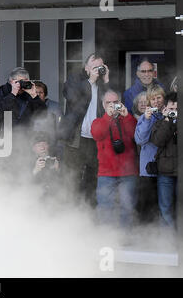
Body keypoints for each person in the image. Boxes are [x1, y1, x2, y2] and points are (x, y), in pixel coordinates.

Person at [59, 53, 110, 207]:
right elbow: (72, 97)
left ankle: (88, 215)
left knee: (92, 180)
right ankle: (69, 213)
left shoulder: (102, 85)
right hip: (76, 138)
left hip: (96, 140)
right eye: (94, 67)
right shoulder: (75, 79)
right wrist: (90, 81)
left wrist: (106, 80)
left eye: (100, 67)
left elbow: (112, 102)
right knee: (71, 179)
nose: (97, 70)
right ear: (86, 67)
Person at [91, 90, 138, 228]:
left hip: (128, 173)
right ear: (103, 105)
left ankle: (125, 238)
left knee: (127, 207)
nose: (112, 105)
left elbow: (135, 134)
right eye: (108, 103)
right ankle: (107, 237)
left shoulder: (128, 118)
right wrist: (108, 117)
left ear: (120, 103)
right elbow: (98, 134)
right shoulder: (98, 121)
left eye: (115, 102)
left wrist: (127, 116)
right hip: (106, 173)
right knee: (105, 208)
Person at [134, 85, 166, 224]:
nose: (156, 101)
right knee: (147, 205)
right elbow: (140, 140)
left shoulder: (169, 113)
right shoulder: (144, 118)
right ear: (149, 101)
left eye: (159, 97)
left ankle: (163, 235)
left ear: (163, 99)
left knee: (164, 204)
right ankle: (144, 237)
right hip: (148, 168)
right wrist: (146, 119)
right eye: (153, 99)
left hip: (166, 167)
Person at [150, 92, 178, 229]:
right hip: (165, 172)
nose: (174, 112)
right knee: (165, 208)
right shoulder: (160, 123)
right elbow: (157, 141)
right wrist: (167, 121)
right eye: (171, 109)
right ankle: (168, 242)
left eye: (178, 109)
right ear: (165, 108)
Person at [31, 131, 61, 199]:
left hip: (53, 199)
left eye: (45, 144)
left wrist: (57, 170)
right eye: (39, 145)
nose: (42, 147)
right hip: (34, 199)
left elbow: (64, 184)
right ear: (33, 148)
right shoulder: (27, 162)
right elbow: (23, 185)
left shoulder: (55, 160)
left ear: (48, 146)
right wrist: (35, 170)